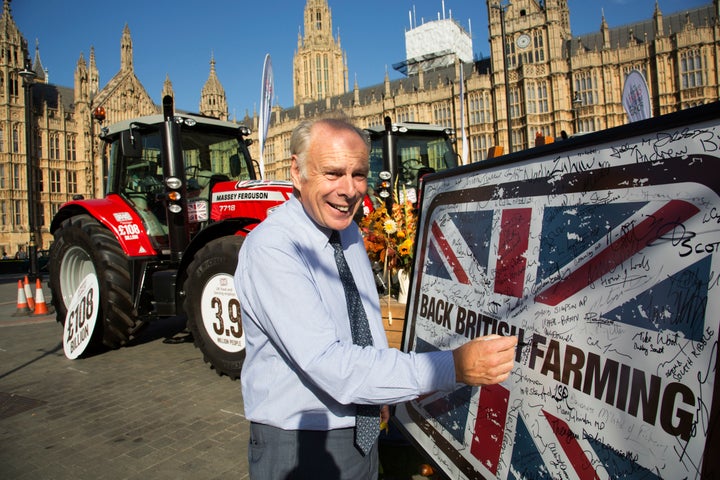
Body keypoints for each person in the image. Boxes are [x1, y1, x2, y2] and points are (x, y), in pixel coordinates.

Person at [234, 115, 518, 479]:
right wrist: (453, 367)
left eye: (358, 174)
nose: (349, 189)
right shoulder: (273, 249)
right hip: (301, 443)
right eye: (333, 173)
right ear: (297, 171)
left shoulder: (348, 231)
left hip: (361, 429)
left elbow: (362, 318)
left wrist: (378, 395)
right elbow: (329, 363)